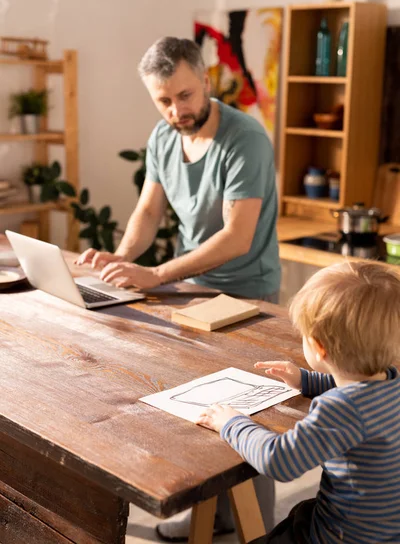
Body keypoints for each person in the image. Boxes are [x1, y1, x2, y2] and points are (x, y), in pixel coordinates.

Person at [76, 37, 280, 540]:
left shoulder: (245, 139)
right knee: (199, 404)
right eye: (163, 101)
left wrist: (158, 274)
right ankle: (214, 515)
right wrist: (122, 259)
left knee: (249, 404)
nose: (176, 110)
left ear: (206, 80)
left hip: (246, 292)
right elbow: (148, 210)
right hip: (191, 287)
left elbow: (238, 236)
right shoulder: (164, 137)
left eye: (184, 96)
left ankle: (256, 525)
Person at [198, 260, 400, 544]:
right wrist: (306, 381)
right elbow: (358, 385)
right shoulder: (392, 381)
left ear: (318, 346)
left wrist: (231, 423)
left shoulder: (340, 409)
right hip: (386, 529)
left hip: (344, 536)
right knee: (300, 513)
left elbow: (278, 461)